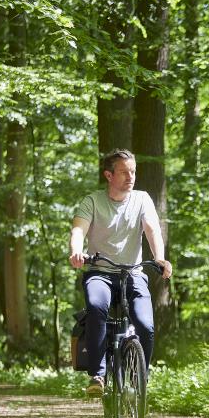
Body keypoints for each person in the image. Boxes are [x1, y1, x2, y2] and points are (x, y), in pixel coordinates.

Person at [69, 149, 172, 394]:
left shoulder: (142, 199)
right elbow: (78, 230)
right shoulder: (93, 201)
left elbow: (152, 230)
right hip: (100, 272)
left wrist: (159, 258)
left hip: (133, 273)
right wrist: (76, 251)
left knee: (145, 325)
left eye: (133, 171)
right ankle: (98, 375)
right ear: (109, 175)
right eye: (124, 172)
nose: (131, 177)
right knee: (96, 308)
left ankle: (139, 377)